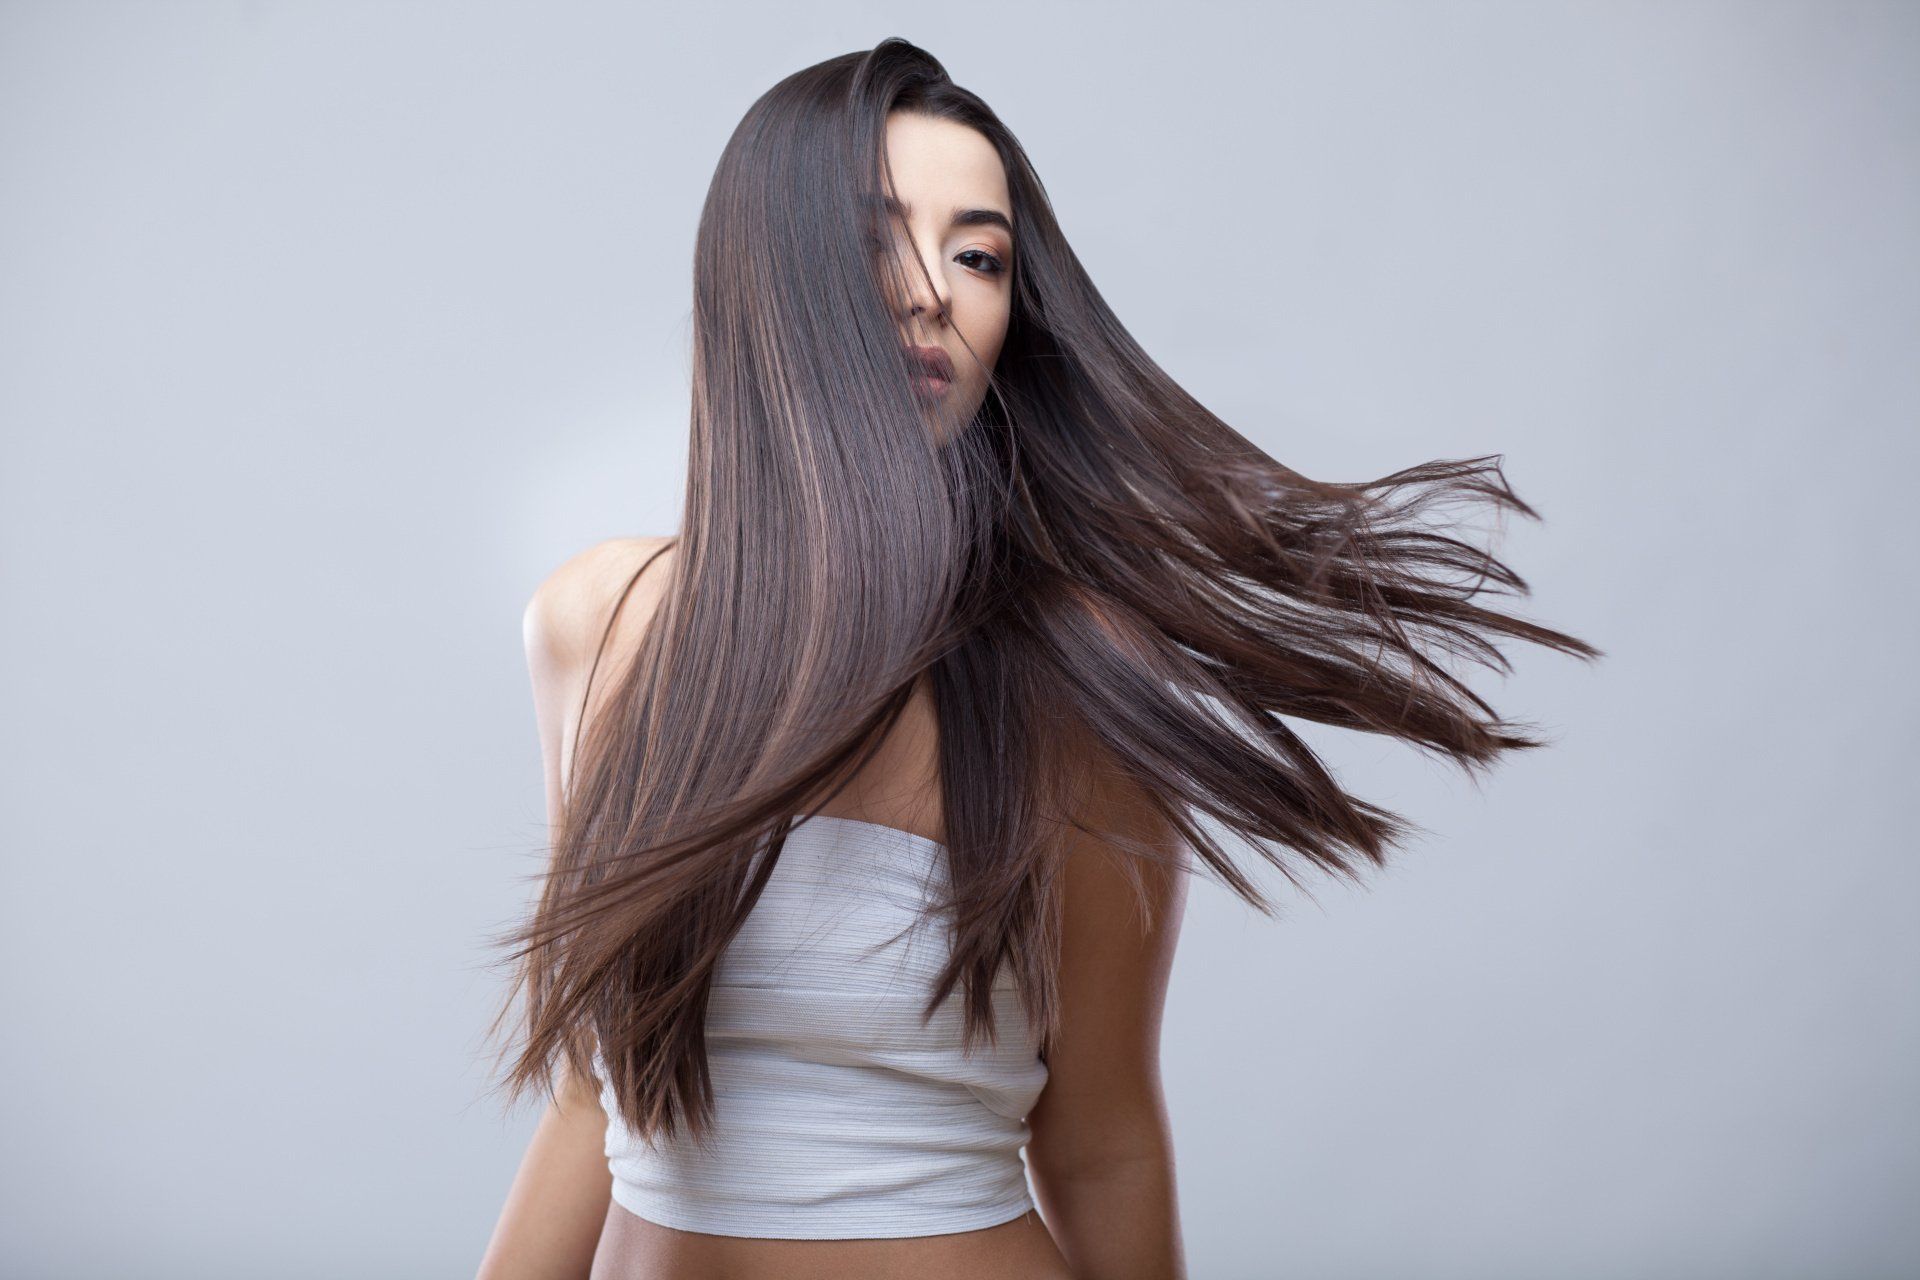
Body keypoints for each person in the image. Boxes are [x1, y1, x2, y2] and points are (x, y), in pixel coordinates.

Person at [474, 36, 1600, 1280]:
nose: (934, 293)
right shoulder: (598, 620)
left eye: (978, 257)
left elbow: (1104, 1135)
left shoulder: (1073, 672)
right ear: (763, 279)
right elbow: (592, 1084)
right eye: (876, 239)